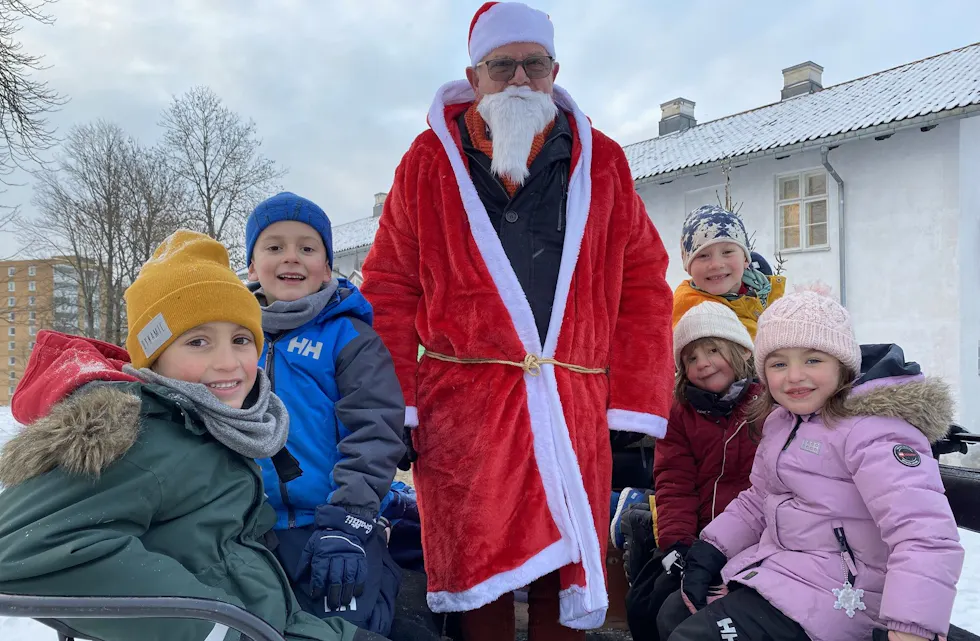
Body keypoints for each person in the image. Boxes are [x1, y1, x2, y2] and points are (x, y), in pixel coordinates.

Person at [359, 2, 674, 638]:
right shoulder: (426, 163)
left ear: (555, 70)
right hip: (464, 407)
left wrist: (633, 404)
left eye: (534, 64)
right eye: (502, 66)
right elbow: (388, 287)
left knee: (566, 559)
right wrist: (399, 406)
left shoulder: (601, 162)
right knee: (478, 562)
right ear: (474, 77)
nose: (520, 79)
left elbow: (643, 282)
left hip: (572, 397)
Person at [0, 230, 379, 641]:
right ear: (155, 357)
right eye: (198, 341)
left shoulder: (208, 429)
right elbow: (21, 547)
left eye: (240, 339)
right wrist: (216, 630)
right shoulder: (141, 441)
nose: (228, 362)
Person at [659, 288, 965, 641]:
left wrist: (911, 627)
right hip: (787, 577)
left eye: (813, 360)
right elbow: (759, 499)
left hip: (848, 598)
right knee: (672, 612)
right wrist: (712, 547)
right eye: (778, 364)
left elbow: (924, 532)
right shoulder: (783, 422)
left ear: (843, 364)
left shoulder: (874, 431)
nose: (793, 376)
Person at [244, 192, 406, 636]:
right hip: (248, 528)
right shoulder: (234, 336)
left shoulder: (349, 338)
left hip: (330, 523)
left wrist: (348, 523)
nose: (291, 258)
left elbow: (374, 433)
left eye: (307, 248)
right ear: (253, 266)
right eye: (274, 247)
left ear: (328, 266)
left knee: (347, 623)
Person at [625, 302, 759, 641]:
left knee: (692, 613)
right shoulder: (681, 413)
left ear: (740, 350)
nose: (703, 363)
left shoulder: (766, 405)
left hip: (754, 541)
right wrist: (677, 544)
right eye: (691, 358)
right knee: (645, 601)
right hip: (694, 535)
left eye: (713, 350)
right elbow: (674, 483)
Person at [672, 205, 786, 339]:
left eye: (727, 252)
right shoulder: (690, 312)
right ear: (688, 266)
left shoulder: (765, 292)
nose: (716, 265)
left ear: (745, 258)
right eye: (703, 255)